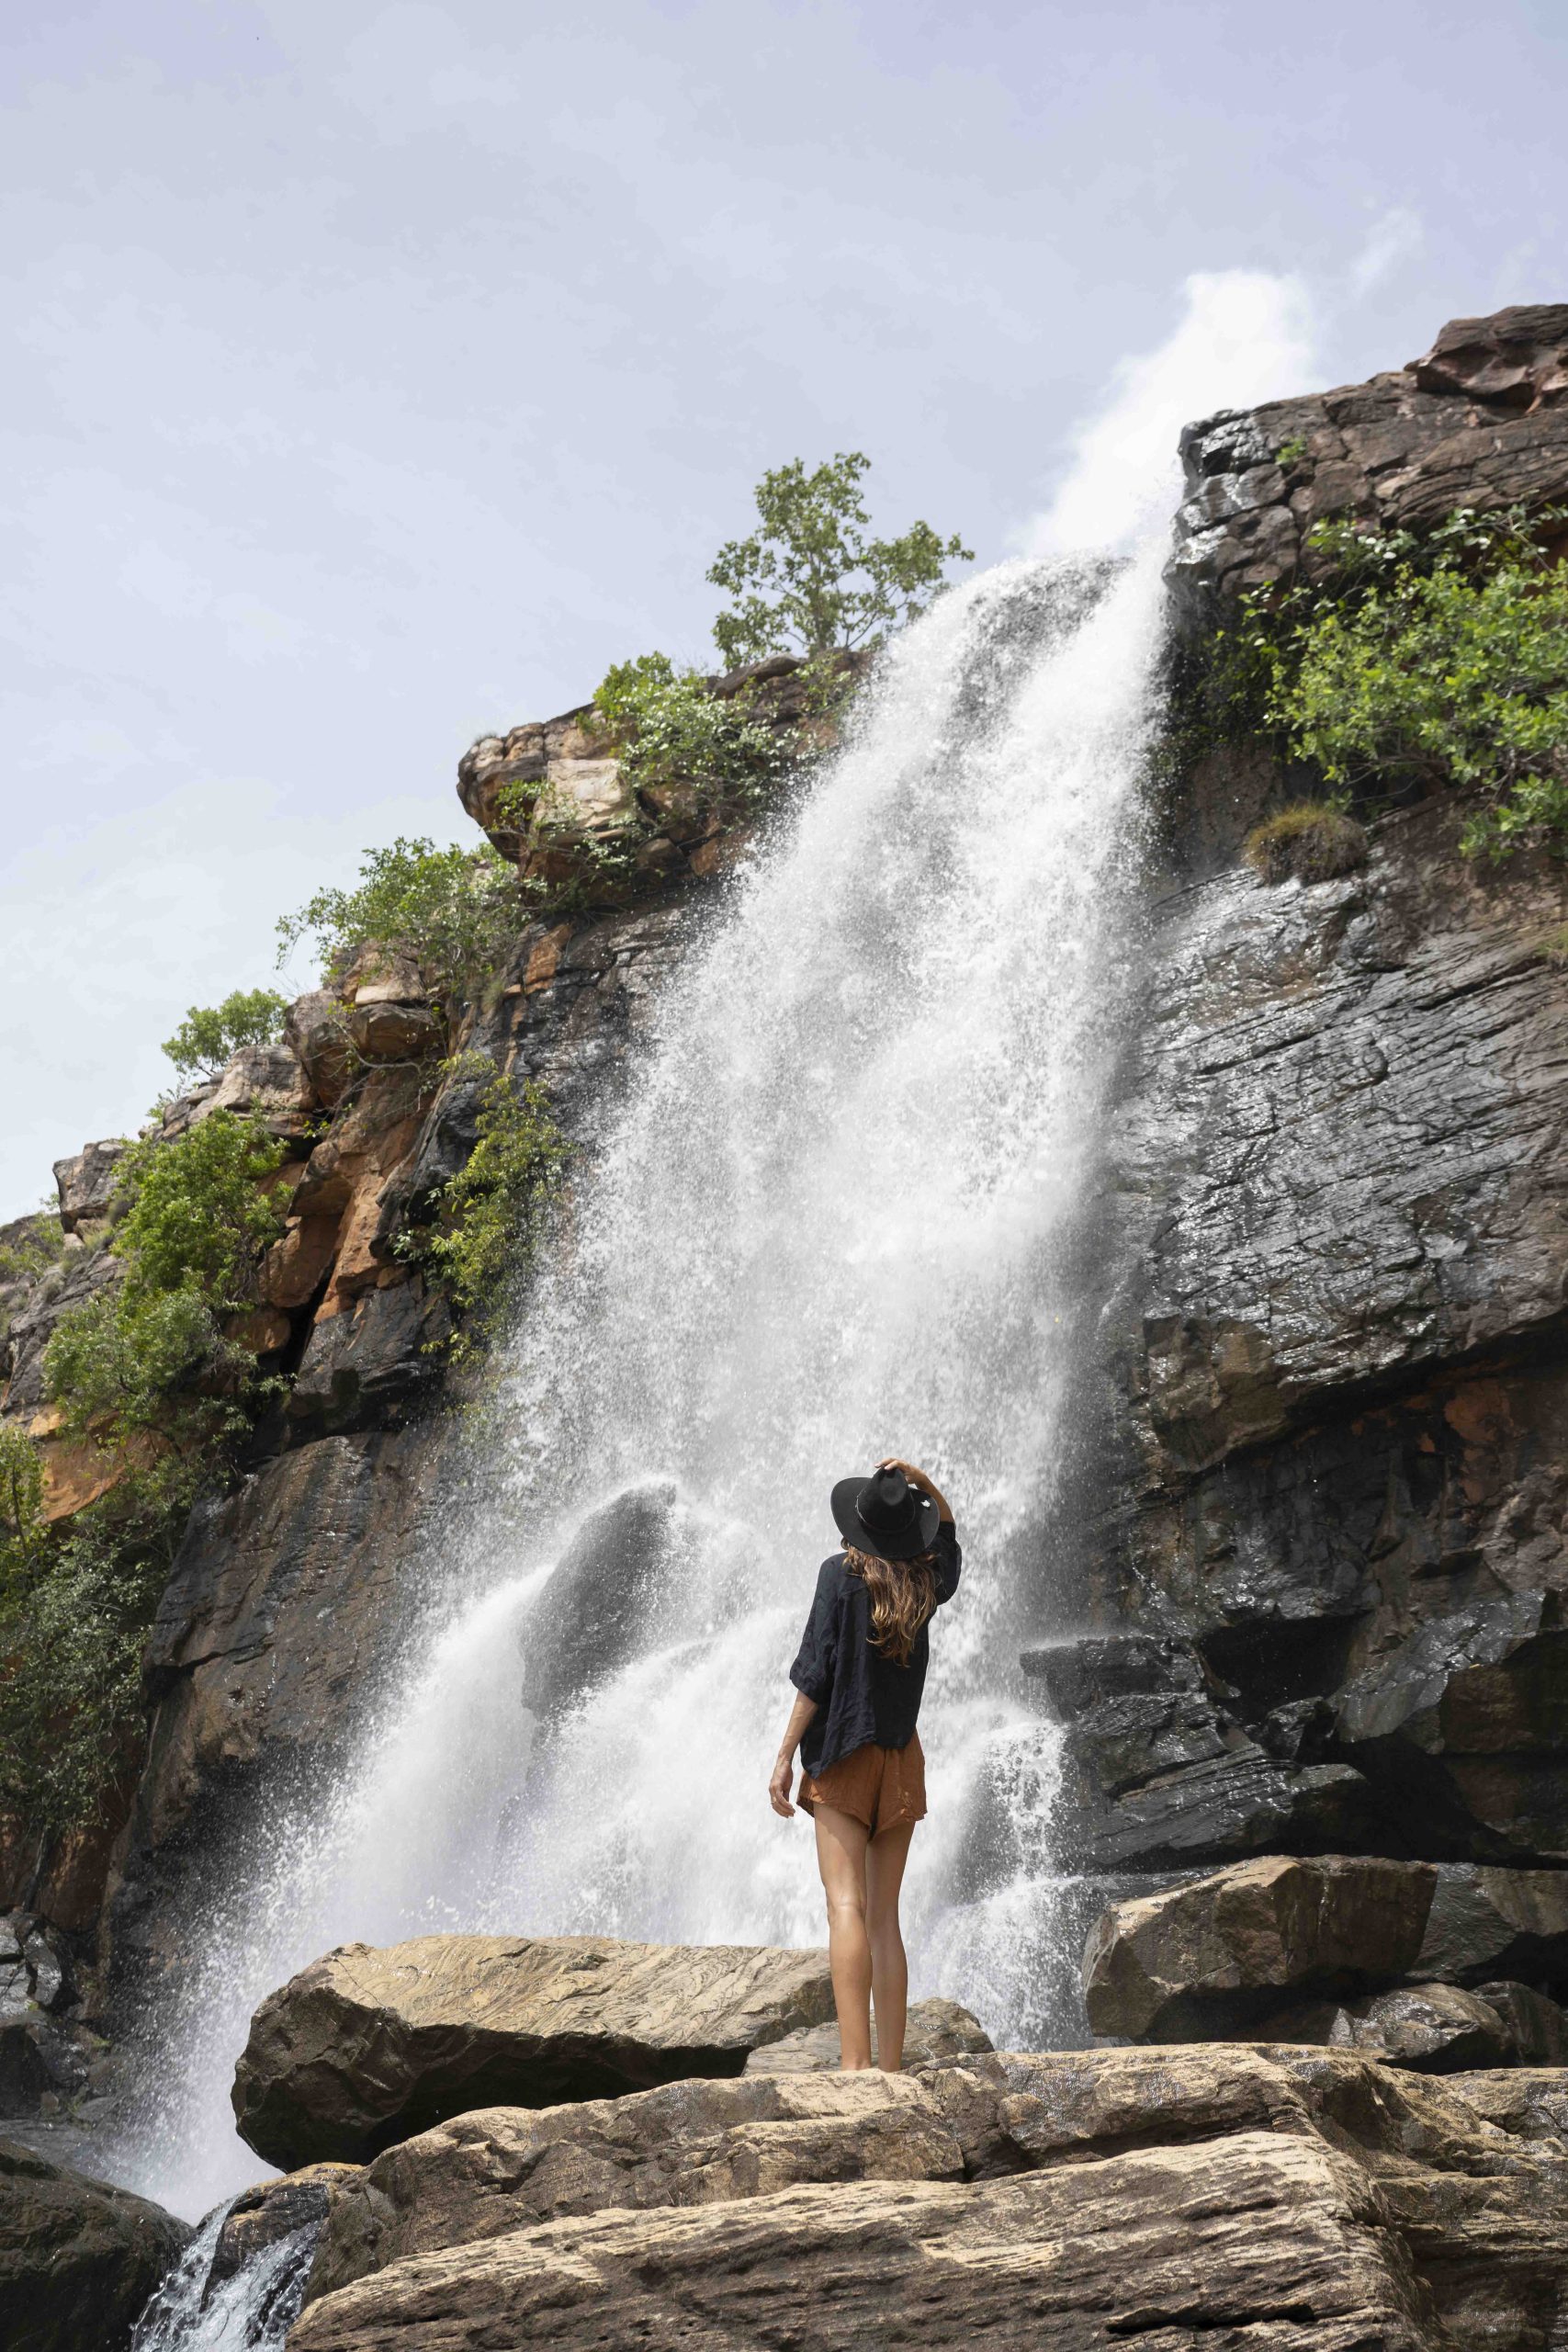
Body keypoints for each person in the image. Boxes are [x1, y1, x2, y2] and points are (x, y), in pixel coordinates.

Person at [769, 1455, 961, 2072]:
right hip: (901, 1758)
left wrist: (781, 1759)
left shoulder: (838, 1575)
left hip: (844, 1756)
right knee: (884, 1917)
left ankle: (853, 2070)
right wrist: (923, 1483)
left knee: (845, 1907)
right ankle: (890, 2069)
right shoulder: (924, 1582)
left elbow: (814, 1674)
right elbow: (951, 1538)